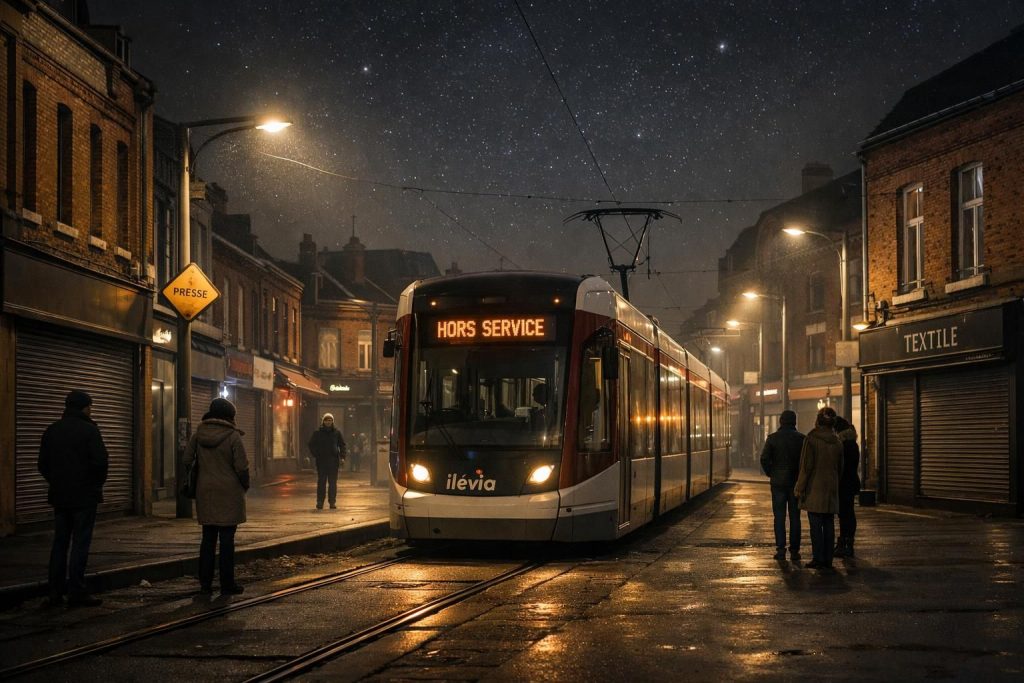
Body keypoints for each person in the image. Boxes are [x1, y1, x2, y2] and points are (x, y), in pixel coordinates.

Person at [37, 390, 109, 607]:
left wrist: (57, 481)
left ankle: (55, 592)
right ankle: (77, 590)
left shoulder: (52, 430)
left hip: (60, 496)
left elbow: (43, 464)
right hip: (84, 497)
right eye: (90, 407)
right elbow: (100, 462)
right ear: (85, 408)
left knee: (60, 543)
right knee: (80, 542)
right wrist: (94, 485)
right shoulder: (90, 430)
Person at [187, 398, 250, 595]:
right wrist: (245, 485)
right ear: (229, 416)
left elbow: (186, 459)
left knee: (208, 538)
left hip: (205, 491)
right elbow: (242, 466)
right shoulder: (233, 436)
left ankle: (205, 583)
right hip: (229, 492)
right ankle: (227, 584)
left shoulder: (198, 435)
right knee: (227, 540)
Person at [794, 406, 844, 571]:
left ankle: (818, 558)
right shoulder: (837, 442)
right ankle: (828, 559)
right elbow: (840, 467)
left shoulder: (812, 439)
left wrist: (800, 487)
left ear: (818, 421)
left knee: (815, 526)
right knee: (829, 524)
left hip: (814, 488)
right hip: (831, 488)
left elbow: (806, 467)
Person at [759, 409, 806, 562]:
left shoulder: (772, 438)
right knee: (795, 517)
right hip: (795, 482)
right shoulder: (802, 439)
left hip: (778, 483)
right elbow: (805, 462)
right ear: (795, 422)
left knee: (779, 517)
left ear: (780, 421)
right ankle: (794, 550)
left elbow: (764, 459)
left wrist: (771, 473)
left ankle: (780, 549)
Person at [833, 415, 861, 558]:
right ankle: (848, 543)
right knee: (848, 513)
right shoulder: (852, 443)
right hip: (851, 482)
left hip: (843, 483)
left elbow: (839, 466)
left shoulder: (842, 445)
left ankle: (844, 543)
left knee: (844, 514)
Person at [308, 413, 345, 509]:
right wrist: (316, 454)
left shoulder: (336, 433)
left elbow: (342, 445)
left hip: (333, 461)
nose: (328, 422)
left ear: (332, 421)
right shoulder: (317, 433)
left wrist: (342, 457)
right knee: (321, 482)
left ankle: (332, 502)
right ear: (323, 421)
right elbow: (311, 444)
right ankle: (320, 501)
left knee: (332, 483)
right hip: (321, 462)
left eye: (330, 420)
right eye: (326, 420)